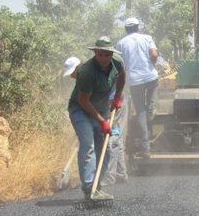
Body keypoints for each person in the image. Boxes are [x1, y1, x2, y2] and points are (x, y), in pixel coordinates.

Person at [68, 37, 126, 200]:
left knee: (104, 149)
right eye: (101, 54)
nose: (104, 58)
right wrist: (102, 121)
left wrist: (117, 97)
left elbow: (122, 76)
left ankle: (97, 186)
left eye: (107, 55)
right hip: (80, 110)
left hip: (100, 109)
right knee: (88, 145)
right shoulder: (87, 72)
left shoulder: (118, 62)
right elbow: (83, 101)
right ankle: (88, 188)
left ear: (111, 54)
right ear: (95, 53)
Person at [116, 18, 159, 159]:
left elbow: (119, 66)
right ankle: (150, 115)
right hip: (151, 77)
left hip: (134, 81)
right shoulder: (147, 38)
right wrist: (151, 65)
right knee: (149, 109)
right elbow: (154, 54)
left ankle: (145, 148)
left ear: (126, 29)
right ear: (138, 27)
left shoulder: (121, 44)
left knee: (140, 111)